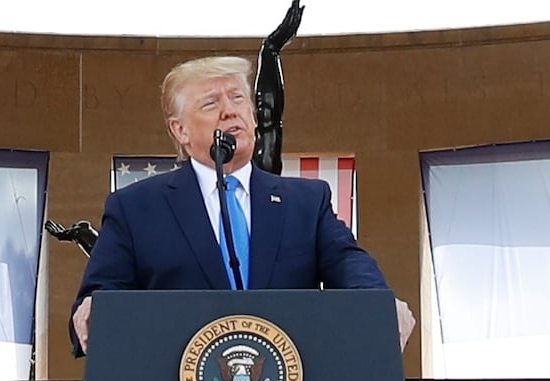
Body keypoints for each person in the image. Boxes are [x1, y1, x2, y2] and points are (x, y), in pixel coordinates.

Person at [70, 54, 411, 351]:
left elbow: (350, 266)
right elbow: (102, 293)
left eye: (237, 98)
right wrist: (93, 308)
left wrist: (379, 303)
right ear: (180, 131)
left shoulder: (305, 201)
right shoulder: (135, 208)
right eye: (210, 103)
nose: (229, 111)